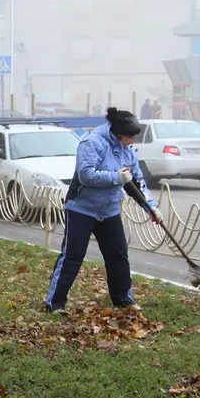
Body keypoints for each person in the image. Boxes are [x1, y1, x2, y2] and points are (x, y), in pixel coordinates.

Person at [44, 107, 163, 313]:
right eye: (130, 137)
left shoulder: (127, 151)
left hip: (109, 210)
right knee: (73, 256)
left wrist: (150, 207)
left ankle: (123, 299)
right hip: (81, 208)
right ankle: (54, 303)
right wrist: (117, 177)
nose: (132, 142)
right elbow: (86, 175)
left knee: (118, 254)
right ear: (119, 134)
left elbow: (136, 181)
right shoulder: (92, 143)